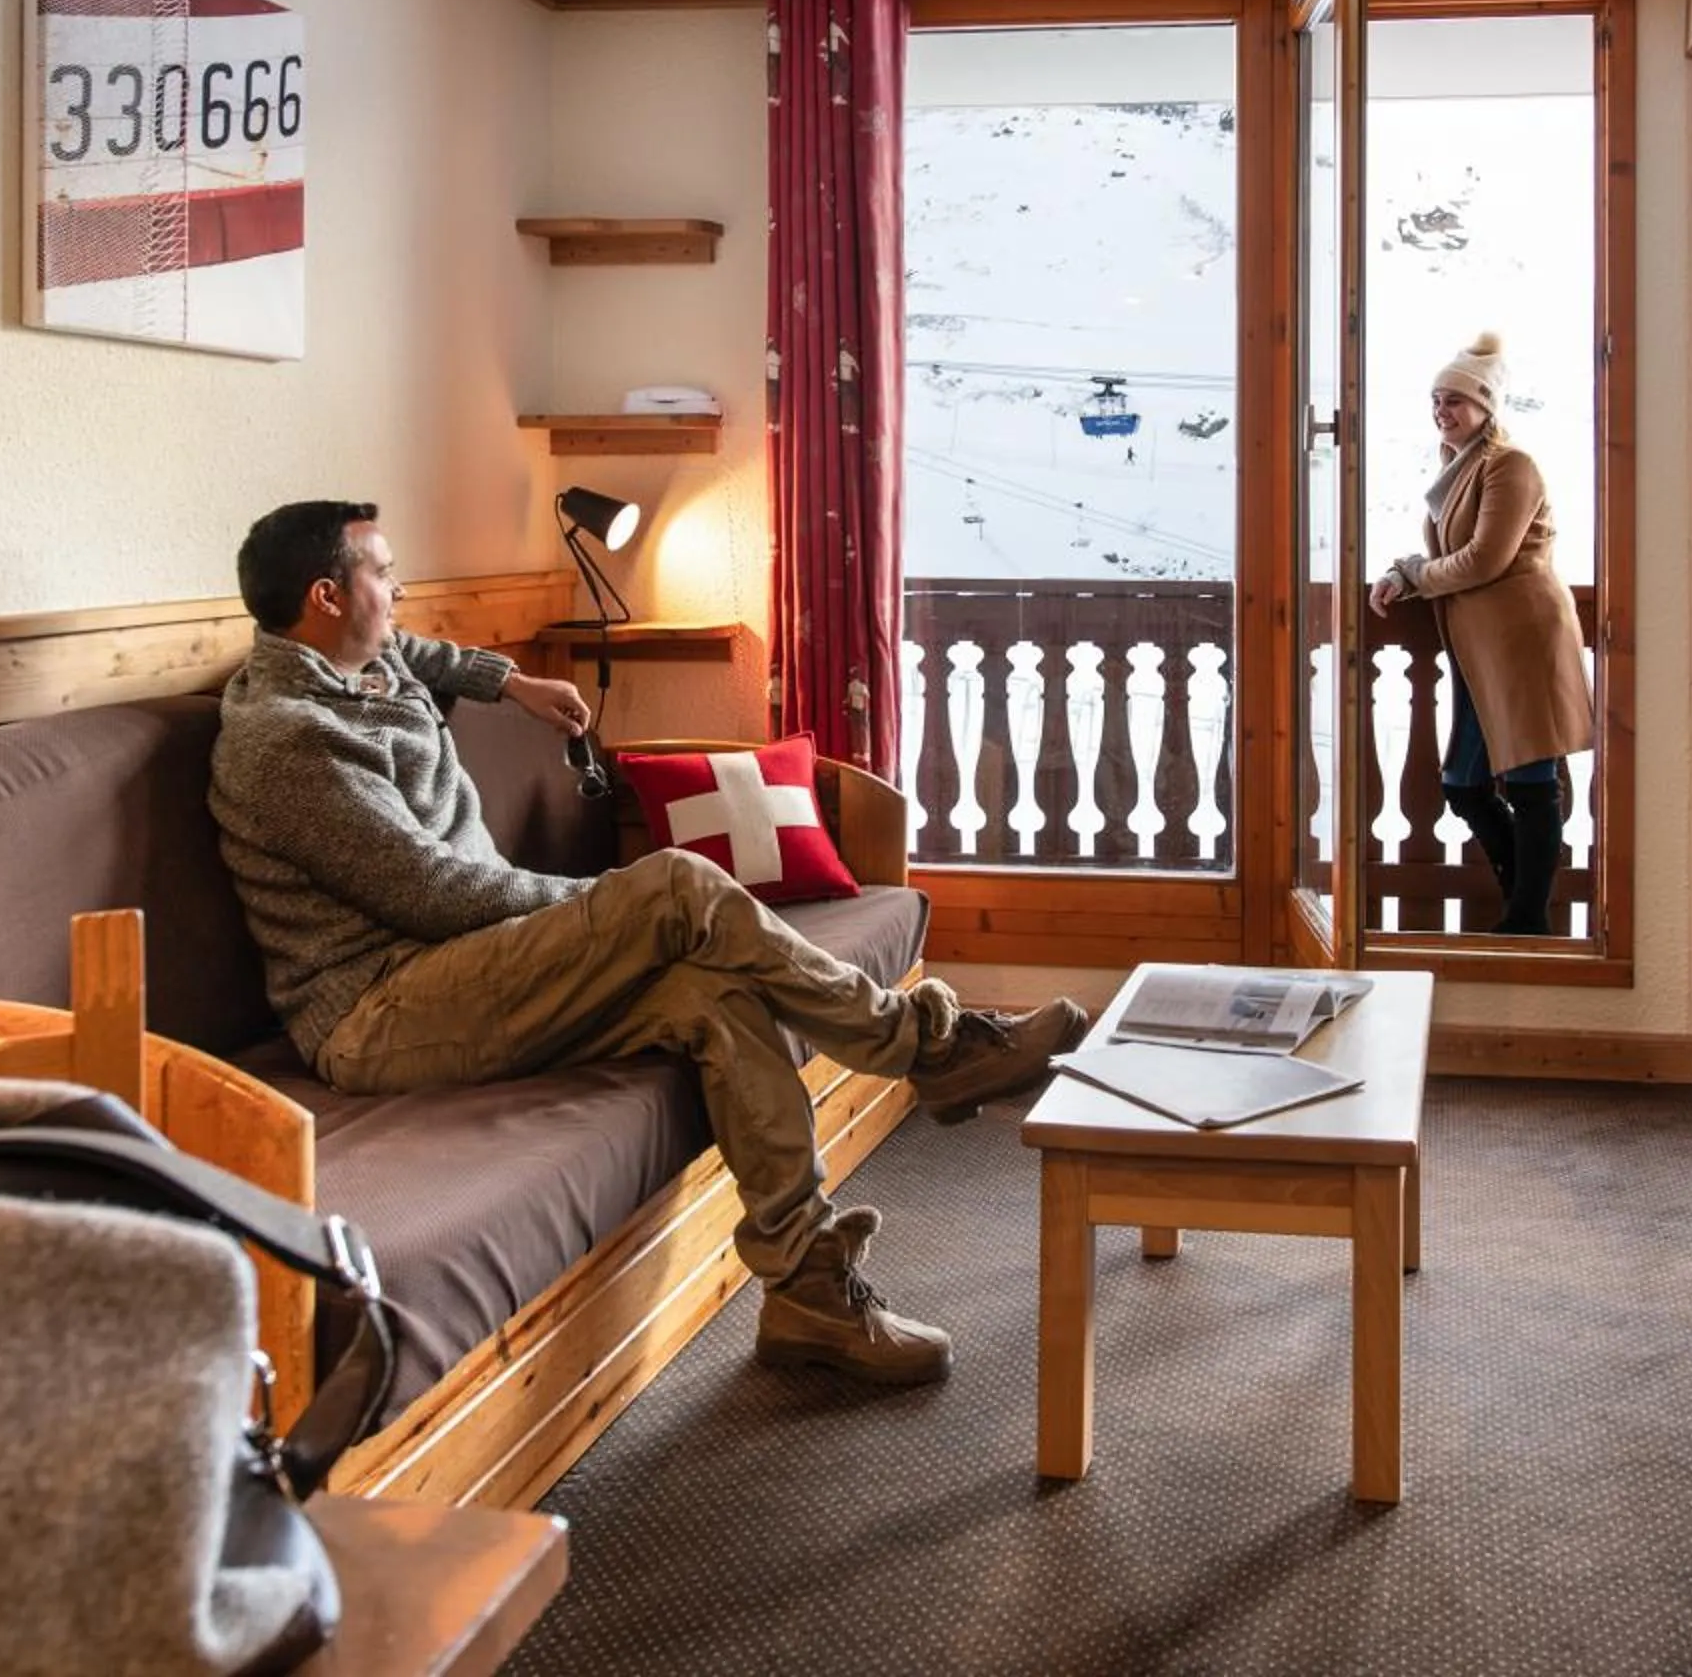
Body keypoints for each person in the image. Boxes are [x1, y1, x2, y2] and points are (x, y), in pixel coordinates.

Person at [207, 500, 1087, 1386]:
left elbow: (421, 650)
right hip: (380, 1008)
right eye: (382, 574)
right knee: (673, 886)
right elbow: (436, 895)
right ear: (325, 596)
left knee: (716, 996)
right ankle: (924, 1046)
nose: (399, 591)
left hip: (463, 969)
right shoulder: (292, 743)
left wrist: (509, 682)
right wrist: (607, 906)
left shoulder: (360, 657)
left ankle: (809, 1293)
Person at [1366, 334, 1595, 935]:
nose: (1442, 411)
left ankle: (1525, 919)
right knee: (1464, 784)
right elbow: (1449, 554)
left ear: (1486, 408)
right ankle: (1527, 907)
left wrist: (1415, 575)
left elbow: (1484, 560)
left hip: (1522, 641)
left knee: (1529, 778)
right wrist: (1404, 572)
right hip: (1479, 649)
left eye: (1456, 401)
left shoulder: (1510, 466)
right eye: (1437, 400)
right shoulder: (1459, 468)